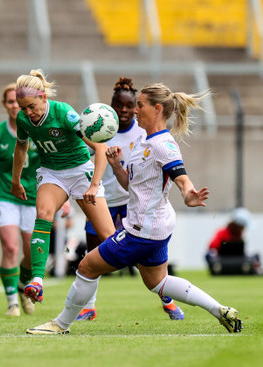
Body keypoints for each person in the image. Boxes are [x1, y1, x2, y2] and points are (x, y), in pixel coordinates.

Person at [26, 83, 243, 335]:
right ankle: (220, 310)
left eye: (140, 105)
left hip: (141, 230)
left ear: (157, 109)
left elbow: (179, 174)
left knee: (86, 266)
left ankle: (60, 324)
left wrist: (188, 193)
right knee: (157, 282)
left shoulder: (162, 143)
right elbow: (133, 184)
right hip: (156, 227)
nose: (135, 111)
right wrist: (117, 166)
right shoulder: (144, 140)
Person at [77, 77, 185, 321]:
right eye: (119, 106)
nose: (125, 111)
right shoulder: (100, 128)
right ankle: (89, 307)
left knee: (141, 257)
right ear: (111, 107)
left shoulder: (144, 130)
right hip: (103, 199)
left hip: (133, 202)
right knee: (93, 253)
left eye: (129, 105)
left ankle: (167, 300)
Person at [11, 69, 115, 303]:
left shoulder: (64, 113)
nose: (28, 113)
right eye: (22, 108)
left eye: (31, 106)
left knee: (109, 237)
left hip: (80, 172)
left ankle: (158, 282)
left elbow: (100, 148)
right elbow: (21, 148)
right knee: (44, 213)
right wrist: (15, 180)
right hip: (52, 174)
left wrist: (93, 186)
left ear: (43, 98)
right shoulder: (23, 120)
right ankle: (37, 282)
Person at [0, 83, 38, 317]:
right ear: (4, 105)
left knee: (31, 252)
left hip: (34, 196)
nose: (14, 105)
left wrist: (62, 198)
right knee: (10, 247)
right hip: (5, 195)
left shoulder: (38, 129)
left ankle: (23, 285)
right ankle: (11, 303)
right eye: (10, 101)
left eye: (17, 100)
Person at [206, 207, 260, 275]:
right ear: (238, 225)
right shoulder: (222, 232)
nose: (243, 229)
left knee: (255, 256)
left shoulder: (239, 236)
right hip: (222, 261)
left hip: (238, 261)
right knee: (208, 255)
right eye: (242, 226)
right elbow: (211, 247)